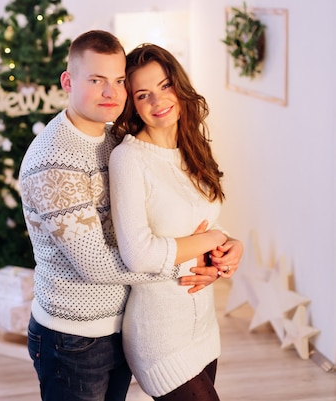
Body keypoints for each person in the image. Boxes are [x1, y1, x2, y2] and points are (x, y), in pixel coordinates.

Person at [19, 30, 239, 401]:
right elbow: (97, 265)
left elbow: (169, 217)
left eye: (119, 81)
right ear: (68, 82)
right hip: (74, 335)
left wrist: (222, 246)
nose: (111, 92)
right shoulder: (54, 162)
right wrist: (191, 262)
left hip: (119, 323)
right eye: (96, 80)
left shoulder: (109, 138)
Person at [109, 43, 244, 400]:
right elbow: (138, 255)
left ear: (179, 85)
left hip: (203, 327)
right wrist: (210, 238)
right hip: (160, 334)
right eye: (143, 95)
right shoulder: (128, 160)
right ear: (132, 104)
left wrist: (231, 247)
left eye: (165, 85)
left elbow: (201, 223)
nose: (158, 101)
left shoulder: (192, 147)